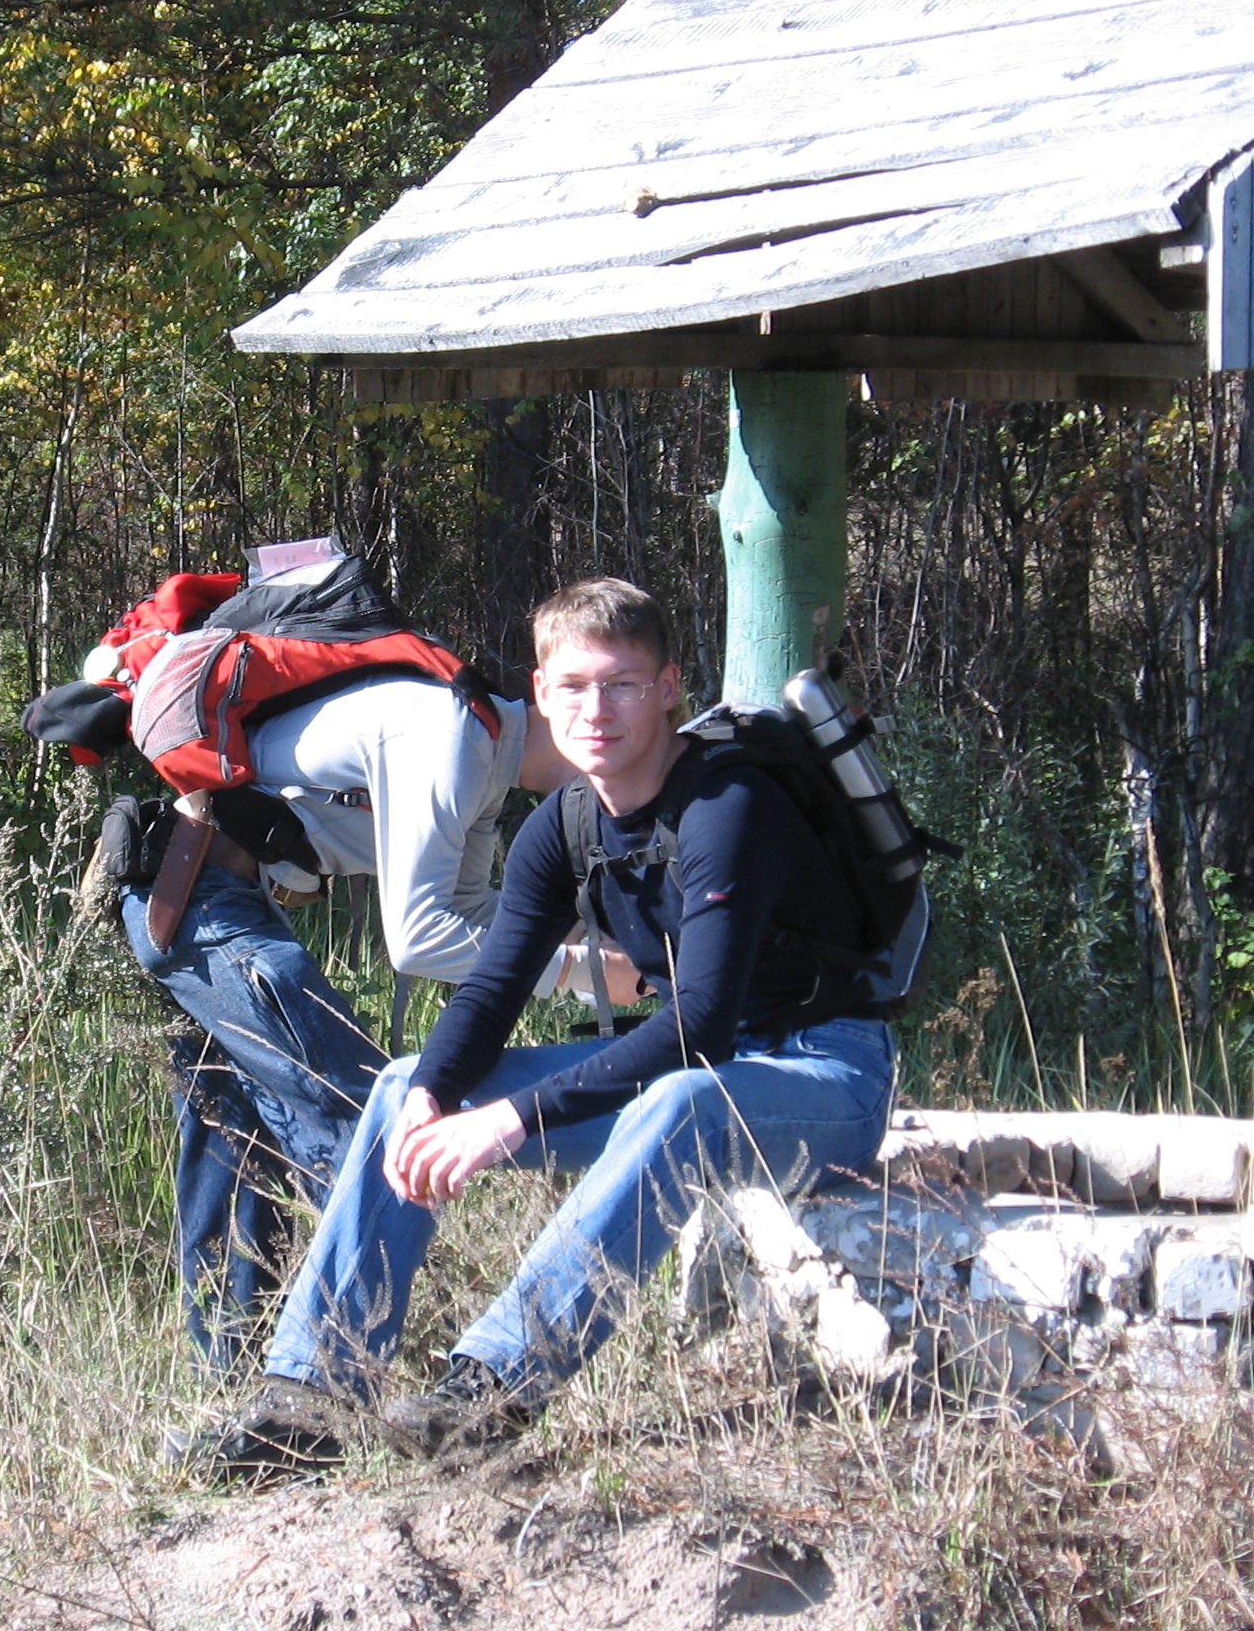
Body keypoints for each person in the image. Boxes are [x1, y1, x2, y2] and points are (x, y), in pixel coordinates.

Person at [200, 577, 899, 1478]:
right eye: (571, 686)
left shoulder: (728, 808)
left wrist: (510, 1118)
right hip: (699, 1077)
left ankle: (488, 1393)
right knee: (401, 1083)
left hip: (826, 1076)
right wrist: (435, 1094)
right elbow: (490, 994)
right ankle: (309, 1401)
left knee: (684, 1099)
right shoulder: (565, 826)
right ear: (539, 692)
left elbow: (700, 1026)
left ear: (668, 689)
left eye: (621, 685)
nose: (594, 711)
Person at [110, 667, 598, 1371]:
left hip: (191, 906)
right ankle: (388, 1369)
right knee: (368, 1129)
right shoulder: (450, 731)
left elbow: (470, 910)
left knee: (237, 1154)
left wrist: (589, 944)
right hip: (204, 907)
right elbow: (421, 940)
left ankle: (232, 1380)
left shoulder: (481, 757)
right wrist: (576, 967)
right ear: (554, 703)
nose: (610, 780)